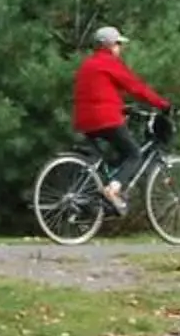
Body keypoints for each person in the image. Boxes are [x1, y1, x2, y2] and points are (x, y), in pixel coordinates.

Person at [71, 25, 168, 209]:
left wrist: (122, 108)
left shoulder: (87, 64)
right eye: (118, 44)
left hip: (84, 120)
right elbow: (136, 87)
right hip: (105, 119)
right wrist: (163, 104)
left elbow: (97, 94)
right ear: (109, 45)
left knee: (113, 157)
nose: (120, 49)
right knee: (134, 154)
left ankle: (99, 192)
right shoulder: (109, 63)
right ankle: (113, 190)